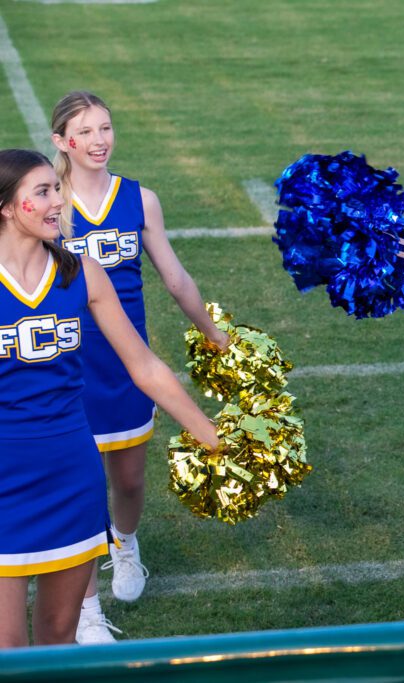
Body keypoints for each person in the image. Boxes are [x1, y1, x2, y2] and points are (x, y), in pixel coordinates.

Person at [0, 149, 218, 648]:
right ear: (7, 207)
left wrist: (211, 436)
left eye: (56, 189)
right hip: (4, 476)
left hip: (72, 475)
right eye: (42, 192)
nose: (58, 201)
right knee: (6, 649)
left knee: (58, 637)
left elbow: (144, 366)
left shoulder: (82, 273)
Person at [49, 91, 229, 643]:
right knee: (82, 491)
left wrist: (215, 334)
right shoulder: (50, 205)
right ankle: (86, 608)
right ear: (62, 141)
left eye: (105, 128)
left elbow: (174, 277)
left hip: (130, 363)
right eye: (85, 131)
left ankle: (124, 544)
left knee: (128, 481)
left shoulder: (139, 200)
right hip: (70, 367)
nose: (99, 140)